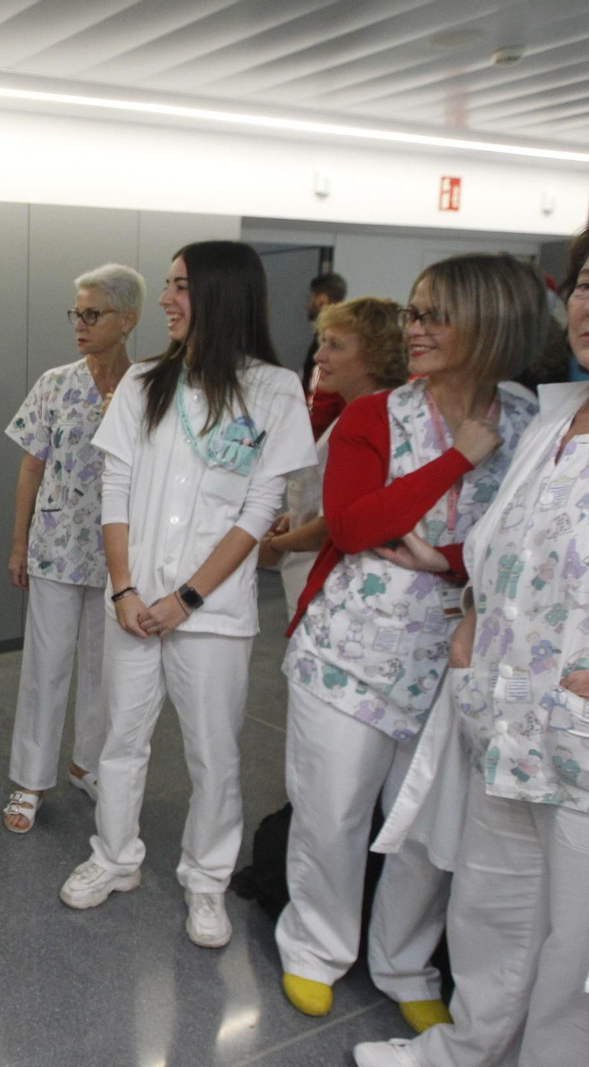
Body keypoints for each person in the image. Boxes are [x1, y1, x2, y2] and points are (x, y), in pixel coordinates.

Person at [280, 256, 542, 1029]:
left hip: (460, 656)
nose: (415, 329)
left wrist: (448, 558)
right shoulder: (373, 416)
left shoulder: (533, 421)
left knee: (430, 825)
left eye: (436, 315)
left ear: (491, 325)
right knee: (333, 811)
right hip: (348, 652)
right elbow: (356, 524)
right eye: (414, 313)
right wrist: (460, 456)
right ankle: (315, 944)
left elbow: (532, 541)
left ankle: (403, 959)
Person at [353, 231, 589, 1067]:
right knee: (495, 907)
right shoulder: (554, 419)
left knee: (576, 953)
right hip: (504, 708)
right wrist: (473, 607)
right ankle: (462, 1050)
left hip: (578, 733)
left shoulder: (532, 416)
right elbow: (510, 544)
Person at [58, 241, 315, 951]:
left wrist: (188, 599)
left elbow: (258, 512)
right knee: (121, 740)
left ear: (222, 295)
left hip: (214, 615)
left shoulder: (272, 390)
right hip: (135, 605)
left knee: (214, 755)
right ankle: (114, 856)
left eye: (180, 286)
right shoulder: (146, 382)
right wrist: (125, 587)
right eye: (168, 285)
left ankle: (206, 879)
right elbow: (114, 490)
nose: (167, 300)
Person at [3, 263, 143, 832]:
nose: (80, 324)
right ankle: (30, 779)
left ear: (127, 319)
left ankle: (88, 762)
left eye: (93, 313)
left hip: (122, 555)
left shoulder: (148, 388)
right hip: (57, 546)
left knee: (105, 669)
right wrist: (18, 543)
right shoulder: (55, 383)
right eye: (77, 313)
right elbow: (30, 466)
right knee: (46, 665)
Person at [259, 298, 408, 619]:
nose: (319, 356)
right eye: (322, 341)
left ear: (375, 357)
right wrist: (298, 516)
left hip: (335, 587)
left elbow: (337, 525)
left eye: (335, 346)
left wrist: (274, 546)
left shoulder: (370, 419)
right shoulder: (364, 412)